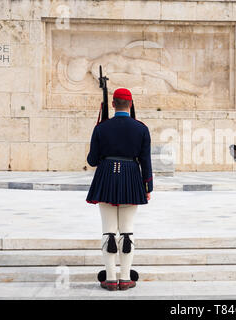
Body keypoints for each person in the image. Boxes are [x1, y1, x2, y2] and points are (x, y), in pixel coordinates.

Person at [86, 88, 153, 291]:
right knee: (127, 231)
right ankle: (125, 278)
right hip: (132, 178)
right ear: (131, 105)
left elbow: (92, 160)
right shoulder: (141, 128)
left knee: (108, 231)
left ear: (113, 105)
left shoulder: (101, 127)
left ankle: (110, 278)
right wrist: (147, 186)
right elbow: (146, 161)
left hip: (106, 176)